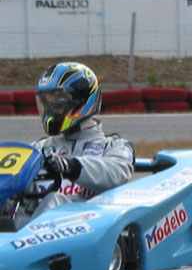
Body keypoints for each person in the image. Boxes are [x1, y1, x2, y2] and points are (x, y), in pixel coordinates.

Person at [26, 62, 135, 220]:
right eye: (47, 103)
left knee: (53, 200)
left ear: (81, 100)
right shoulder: (39, 148)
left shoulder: (114, 147)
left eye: (58, 102)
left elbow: (117, 172)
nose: (51, 110)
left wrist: (71, 166)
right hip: (33, 226)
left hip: (89, 225)